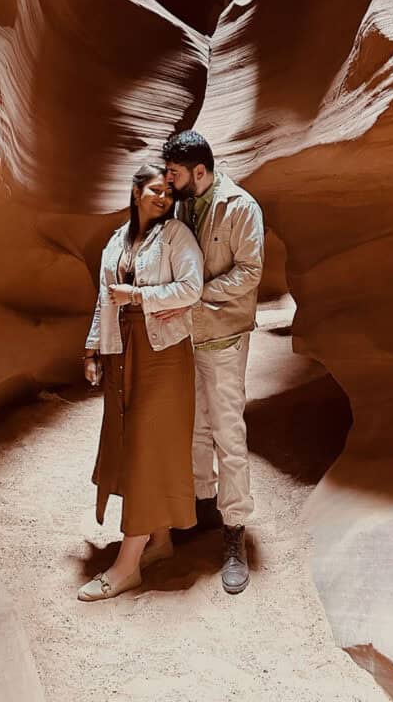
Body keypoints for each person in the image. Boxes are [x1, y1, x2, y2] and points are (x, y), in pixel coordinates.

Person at [78, 164, 204, 602]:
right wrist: (92, 350)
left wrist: (138, 296)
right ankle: (160, 540)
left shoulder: (176, 237)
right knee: (132, 441)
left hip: (163, 355)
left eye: (168, 191)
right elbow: (103, 300)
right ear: (135, 193)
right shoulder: (117, 241)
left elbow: (191, 287)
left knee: (148, 447)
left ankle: (127, 566)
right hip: (122, 349)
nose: (163, 197)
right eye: (155, 189)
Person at [159, 131, 264, 594]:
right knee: (195, 427)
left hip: (223, 337)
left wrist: (197, 294)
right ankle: (203, 508)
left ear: (198, 171)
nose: (168, 180)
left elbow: (250, 271)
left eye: (174, 173)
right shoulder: (183, 205)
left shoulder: (240, 207)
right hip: (190, 337)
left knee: (227, 432)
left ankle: (234, 532)